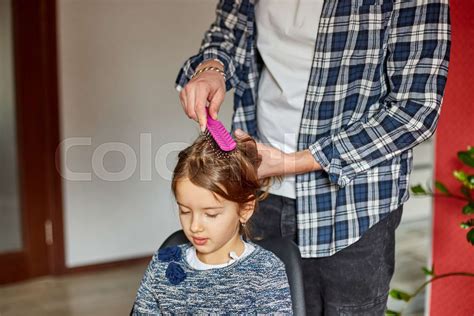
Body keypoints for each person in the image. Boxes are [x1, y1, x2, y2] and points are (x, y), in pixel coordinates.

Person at [175, 0, 451, 314]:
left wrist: (294, 162)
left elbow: (415, 112)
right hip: (259, 188)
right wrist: (212, 68)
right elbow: (227, 34)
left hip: (355, 207)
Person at [131, 135, 292, 315]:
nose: (194, 226)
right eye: (185, 211)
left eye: (210, 214)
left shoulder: (266, 271)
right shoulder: (162, 264)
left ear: (245, 209)